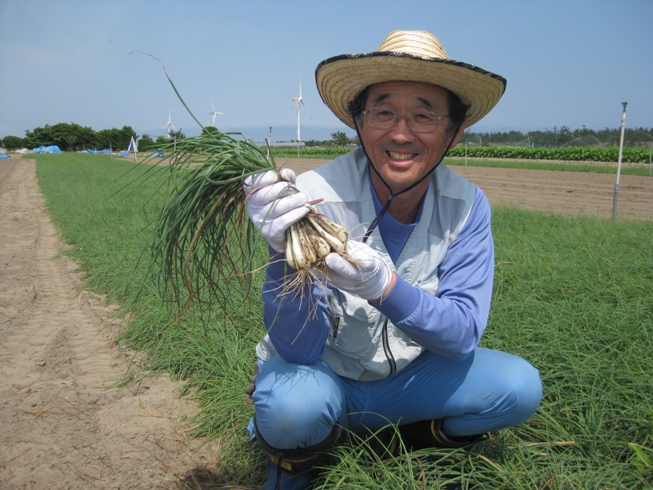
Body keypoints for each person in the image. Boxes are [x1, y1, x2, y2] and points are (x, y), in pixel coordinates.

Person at [243, 29, 542, 490]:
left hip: (406, 380)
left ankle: (401, 441)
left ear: (454, 133)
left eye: (424, 115)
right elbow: (300, 350)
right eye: (383, 112)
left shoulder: (466, 206)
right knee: (292, 408)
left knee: (519, 387)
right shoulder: (315, 197)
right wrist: (284, 253)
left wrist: (382, 286)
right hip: (326, 377)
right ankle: (294, 464)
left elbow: (462, 335)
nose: (400, 133)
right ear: (358, 123)